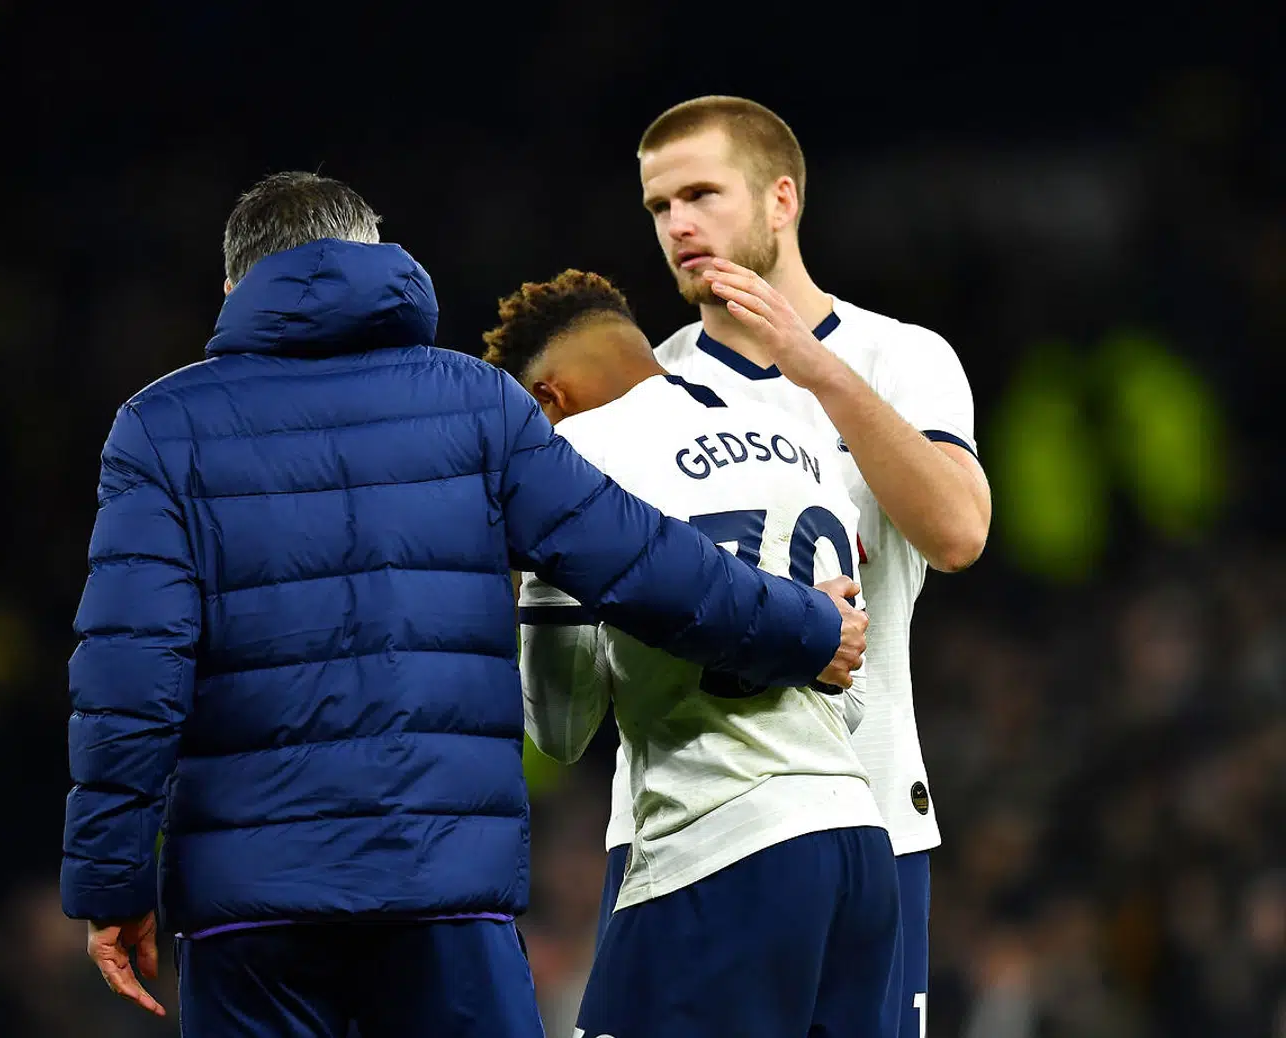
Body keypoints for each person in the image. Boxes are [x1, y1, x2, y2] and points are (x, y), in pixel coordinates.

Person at [59, 171, 867, 1037]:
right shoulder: (476, 403)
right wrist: (806, 625)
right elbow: (641, 560)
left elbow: (130, 672)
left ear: (234, 287)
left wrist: (112, 882)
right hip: (442, 894)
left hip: (252, 912)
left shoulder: (161, 427)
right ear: (378, 263)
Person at [594, 95, 994, 1038]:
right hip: (680, 831)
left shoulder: (902, 358)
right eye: (658, 206)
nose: (679, 224)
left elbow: (958, 533)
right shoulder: (640, 392)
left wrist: (811, 367)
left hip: (872, 819)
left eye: (702, 193)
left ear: (781, 199)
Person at [482, 270, 900, 1038]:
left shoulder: (577, 454)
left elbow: (563, 727)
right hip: (857, 850)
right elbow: (850, 682)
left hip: (720, 850)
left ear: (547, 399)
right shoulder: (797, 432)